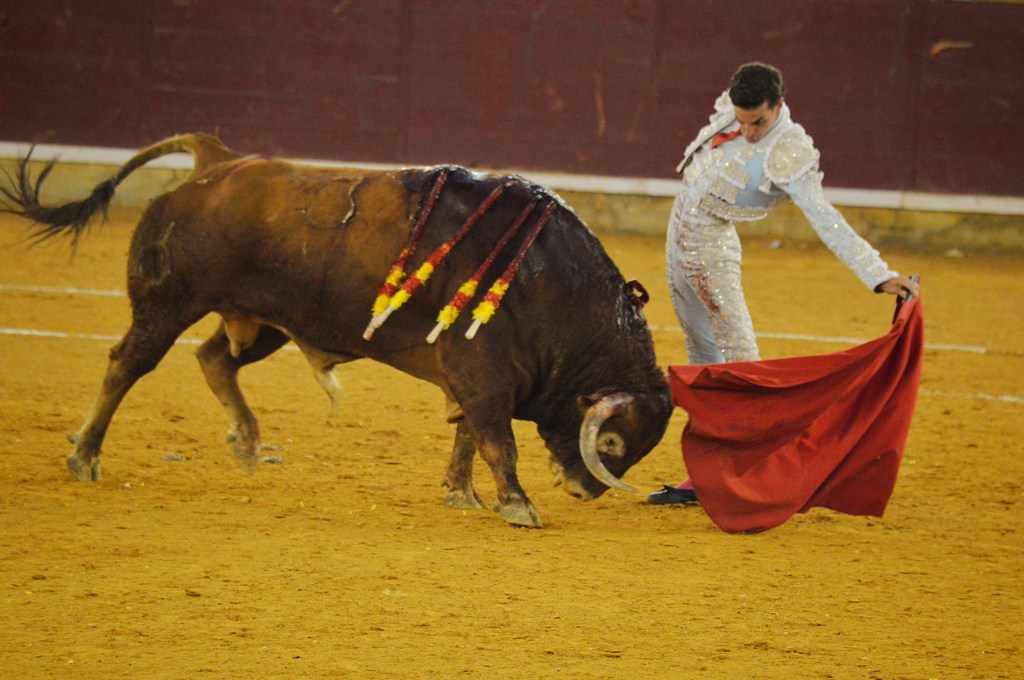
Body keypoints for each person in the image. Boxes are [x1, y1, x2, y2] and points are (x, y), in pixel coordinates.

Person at [650, 62, 919, 506]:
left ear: (779, 105)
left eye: (757, 122)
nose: (748, 131)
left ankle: (753, 470)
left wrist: (878, 274)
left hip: (712, 252)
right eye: (741, 120)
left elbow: (825, 218)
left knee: (742, 362)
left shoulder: (790, 151)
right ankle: (707, 475)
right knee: (702, 359)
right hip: (676, 240)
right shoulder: (735, 106)